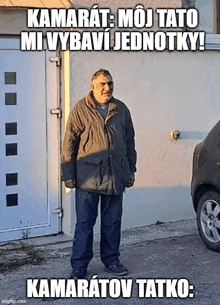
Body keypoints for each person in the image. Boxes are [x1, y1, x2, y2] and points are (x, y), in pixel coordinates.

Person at [61, 69, 137, 279]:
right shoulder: (80, 109)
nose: (107, 88)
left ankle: (111, 261)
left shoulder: (121, 109)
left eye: (110, 83)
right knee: (85, 224)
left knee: (113, 223)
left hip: (115, 176)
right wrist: (68, 174)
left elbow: (130, 142)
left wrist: (131, 170)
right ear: (93, 86)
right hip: (88, 179)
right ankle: (79, 266)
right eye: (103, 84)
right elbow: (69, 143)